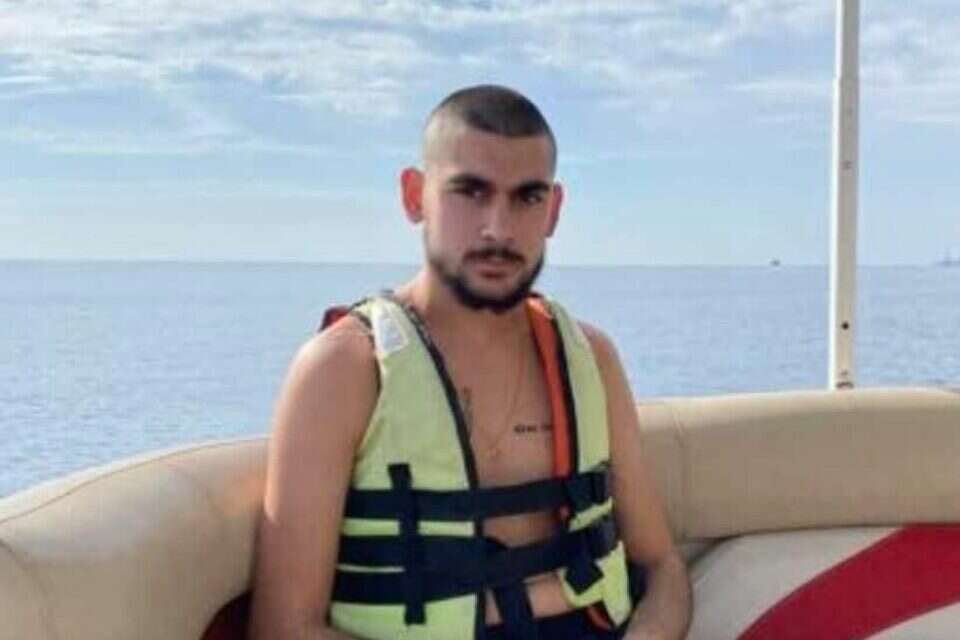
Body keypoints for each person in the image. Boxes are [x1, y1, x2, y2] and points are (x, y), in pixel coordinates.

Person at [248, 85, 691, 640]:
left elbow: (662, 566)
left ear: (553, 211)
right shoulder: (343, 370)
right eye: (470, 192)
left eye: (526, 198)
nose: (498, 229)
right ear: (415, 197)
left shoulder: (591, 359)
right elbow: (284, 628)